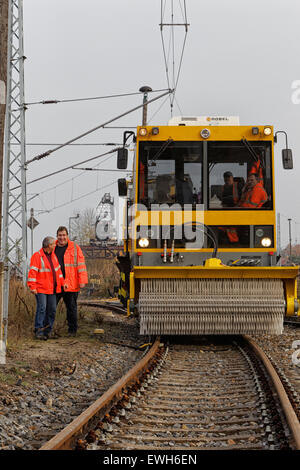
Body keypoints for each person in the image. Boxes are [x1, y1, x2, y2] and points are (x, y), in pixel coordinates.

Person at [27, 236, 64, 340]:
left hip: (52, 288)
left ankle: (48, 331)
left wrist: (62, 283)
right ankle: (39, 331)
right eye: (53, 244)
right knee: (42, 309)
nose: (55, 245)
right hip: (40, 288)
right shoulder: (37, 256)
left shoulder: (53, 256)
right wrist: (32, 286)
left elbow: (58, 272)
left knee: (52, 309)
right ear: (48, 245)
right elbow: (32, 273)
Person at [55, 226, 88, 336]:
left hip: (71, 283)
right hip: (56, 284)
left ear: (67, 235)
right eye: (60, 235)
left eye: (64, 235)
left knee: (71, 308)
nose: (62, 237)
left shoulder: (75, 247)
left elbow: (81, 265)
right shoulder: (52, 247)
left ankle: (72, 330)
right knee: (51, 307)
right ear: (57, 236)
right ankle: (48, 328)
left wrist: (82, 280)